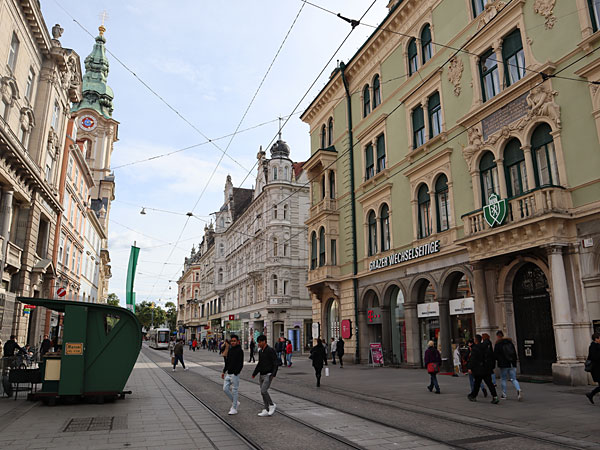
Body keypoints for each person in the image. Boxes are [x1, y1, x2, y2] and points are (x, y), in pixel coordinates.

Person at [467, 334, 499, 404]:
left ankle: (473, 396)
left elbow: (472, 359)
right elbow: (490, 357)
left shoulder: (475, 348)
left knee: (477, 383)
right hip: (486, 368)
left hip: (478, 369)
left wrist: (470, 367)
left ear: (475, 340)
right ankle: (495, 396)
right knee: (489, 383)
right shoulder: (486, 347)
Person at [251, 335, 278, 417]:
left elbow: (275, 362)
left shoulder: (270, 350)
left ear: (264, 341)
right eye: (258, 342)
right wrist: (255, 373)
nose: (258, 344)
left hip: (268, 374)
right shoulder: (260, 351)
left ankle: (271, 404)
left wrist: (273, 374)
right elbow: (260, 363)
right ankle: (266, 409)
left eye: (259, 342)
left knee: (263, 391)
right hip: (261, 374)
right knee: (262, 393)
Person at [494, 330, 522, 401]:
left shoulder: (498, 344)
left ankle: (504, 394)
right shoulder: (510, 342)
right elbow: (514, 353)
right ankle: (518, 389)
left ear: (497, 336)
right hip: (512, 363)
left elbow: (495, 355)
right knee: (513, 378)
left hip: (504, 364)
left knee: (503, 379)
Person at [222, 334, 243, 415]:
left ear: (238, 342)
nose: (233, 342)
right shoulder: (230, 350)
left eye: (234, 341)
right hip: (229, 373)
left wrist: (236, 372)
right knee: (225, 389)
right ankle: (235, 402)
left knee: (235, 390)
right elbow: (227, 362)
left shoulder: (240, 351)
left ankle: (234, 408)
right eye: (232, 341)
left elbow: (240, 363)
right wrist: (224, 371)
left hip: (235, 374)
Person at [585, 332, 600, 404]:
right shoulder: (593, 346)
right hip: (596, 369)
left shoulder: (598, 346)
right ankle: (591, 394)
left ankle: (591, 394)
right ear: (596, 339)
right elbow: (594, 357)